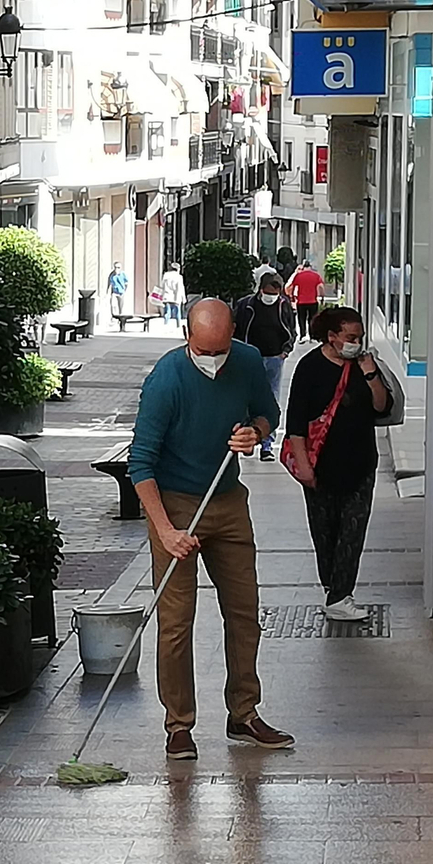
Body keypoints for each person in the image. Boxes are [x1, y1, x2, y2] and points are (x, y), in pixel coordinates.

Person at [127, 298, 293, 760]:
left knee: (244, 612)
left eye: (220, 350)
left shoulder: (244, 360)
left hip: (228, 500)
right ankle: (178, 725)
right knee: (176, 622)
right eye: (204, 351)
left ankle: (244, 714)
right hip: (175, 504)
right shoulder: (166, 380)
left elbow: (268, 412)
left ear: (233, 335)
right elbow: (139, 463)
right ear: (187, 336)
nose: (214, 361)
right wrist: (164, 530)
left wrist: (255, 432)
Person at [284, 306, 389, 622]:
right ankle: (333, 586)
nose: (356, 342)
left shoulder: (363, 366)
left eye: (359, 336)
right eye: (350, 337)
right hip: (321, 467)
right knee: (325, 533)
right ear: (331, 337)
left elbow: (382, 407)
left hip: (360, 464)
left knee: (352, 532)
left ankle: (340, 596)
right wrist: (303, 468)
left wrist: (370, 374)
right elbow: (296, 424)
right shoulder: (309, 368)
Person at [233, 273, 298, 462]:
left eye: (275, 293)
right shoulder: (247, 306)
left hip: (274, 358)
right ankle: (249, 440)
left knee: (271, 400)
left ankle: (267, 445)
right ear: (260, 290)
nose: (272, 296)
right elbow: (236, 329)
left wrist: (285, 352)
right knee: (246, 398)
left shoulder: (283, 305)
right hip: (249, 358)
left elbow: (291, 330)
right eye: (268, 292)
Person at [286, 259, 325, 334]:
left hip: (301, 301)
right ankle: (311, 334)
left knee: (301, 319)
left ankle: (302, 334)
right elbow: (321, 287)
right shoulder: (316, 275)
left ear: (303, 267)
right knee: (312, 319)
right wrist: (322, 297)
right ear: (310, 266)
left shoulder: (298, 276)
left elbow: (293, 286)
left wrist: (292, 297)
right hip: (313, 301)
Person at [160, 263, 186, 332]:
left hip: (166, 296)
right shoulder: (179, 277)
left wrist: (161, 296)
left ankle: (166, 325)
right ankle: (178, 326)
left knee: (167, 312)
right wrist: (183, 298)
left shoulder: (165, 275)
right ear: (178, 269)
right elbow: (180, 288)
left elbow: (162, 286)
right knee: (177, 313)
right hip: (176, 296)